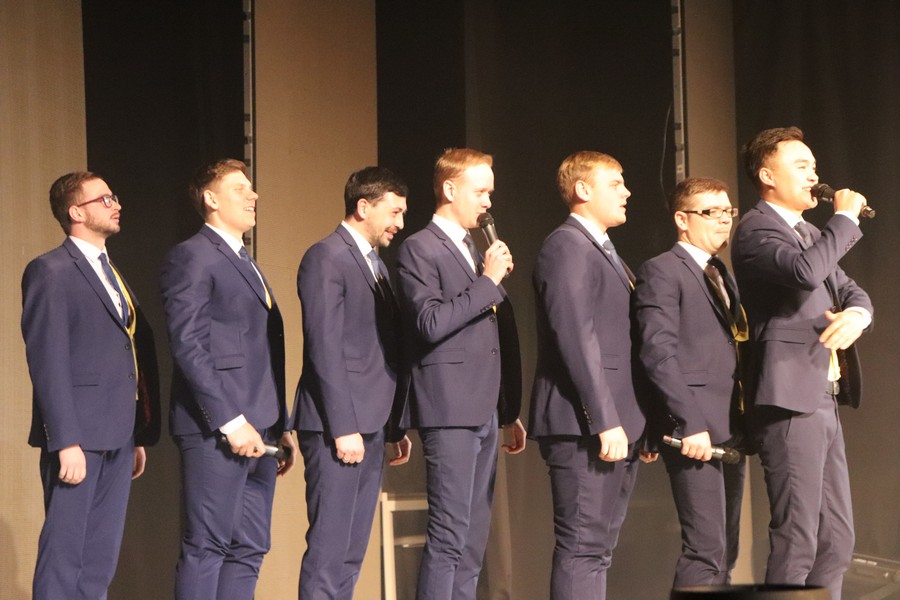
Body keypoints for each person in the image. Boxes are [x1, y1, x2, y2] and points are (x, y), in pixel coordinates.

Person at [732, 127, 872, 599]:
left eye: (814, 166)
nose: (814, 175)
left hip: (823, 394)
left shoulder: (811, 232)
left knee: (836, 541)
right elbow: (805, 272)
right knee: (798, 538)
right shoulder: (756, 228)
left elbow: (850, 290)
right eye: (801, 166)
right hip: (789, 396)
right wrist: (845, 218)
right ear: (767, 176)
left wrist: (857, 315)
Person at [161, 158, 297, 600]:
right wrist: (230, 421)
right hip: (218, 428)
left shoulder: (245, 261)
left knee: (250, 547)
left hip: (263, 427)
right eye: (240, 188)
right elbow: (188, 345)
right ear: (211, 199)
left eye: (251, 188)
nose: (253, 195)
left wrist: (281, 424)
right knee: (207, 545)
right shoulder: (193, 255)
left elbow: (260, 350)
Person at [396, 148, 526, 600]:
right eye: (481, 191)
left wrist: (506, 405)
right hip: (449, 408)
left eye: (490, 192)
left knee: (473, 541)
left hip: (484, 407)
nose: (488, 202)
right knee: (449, 535)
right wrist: (488, 282)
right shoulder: (420, 248)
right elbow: (429, 322)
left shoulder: (473, 248)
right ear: (450, 189)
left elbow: (488, 338)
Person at [22, 171, 160, 599]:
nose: (116, 204)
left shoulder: (111, 272)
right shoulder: (50, 270)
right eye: (104, 199)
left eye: (113, 197)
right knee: (65, 556)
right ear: (76, 212)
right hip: (78, 437)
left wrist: (135, 432)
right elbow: (48, 361)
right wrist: (65, 440)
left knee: (100, 559)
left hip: (118, 435)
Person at [529, 151, 648, 600]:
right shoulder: (567, 246)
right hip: (585, 425)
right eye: (615, 183)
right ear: (583, 190)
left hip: (616, 423)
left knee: (598, 550)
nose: (627, 192)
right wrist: (605, 419)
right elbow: (576, 338)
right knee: (582, 548)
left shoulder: (601, 248)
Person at [293, 166, 413, 598]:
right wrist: (343, 427)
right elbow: (324, 347)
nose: (400, 223)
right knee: (329, 551)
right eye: (394, 212)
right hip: (337, 426)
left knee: (351, 554)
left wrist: (393, 425)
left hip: (372, 424)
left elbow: (383, 350)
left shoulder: (374, 264)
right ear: (364, 207)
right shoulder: (327, 257)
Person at [633, 177, 747, 587]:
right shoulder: (663, 270)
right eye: (711, 212)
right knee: (705, 551)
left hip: (730, 425)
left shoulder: (719, 270)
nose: (724, 220)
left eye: (728, 211)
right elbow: (657, 352)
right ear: (682, 220)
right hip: (694, 428)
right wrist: (688, 421)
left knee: (726, 551)